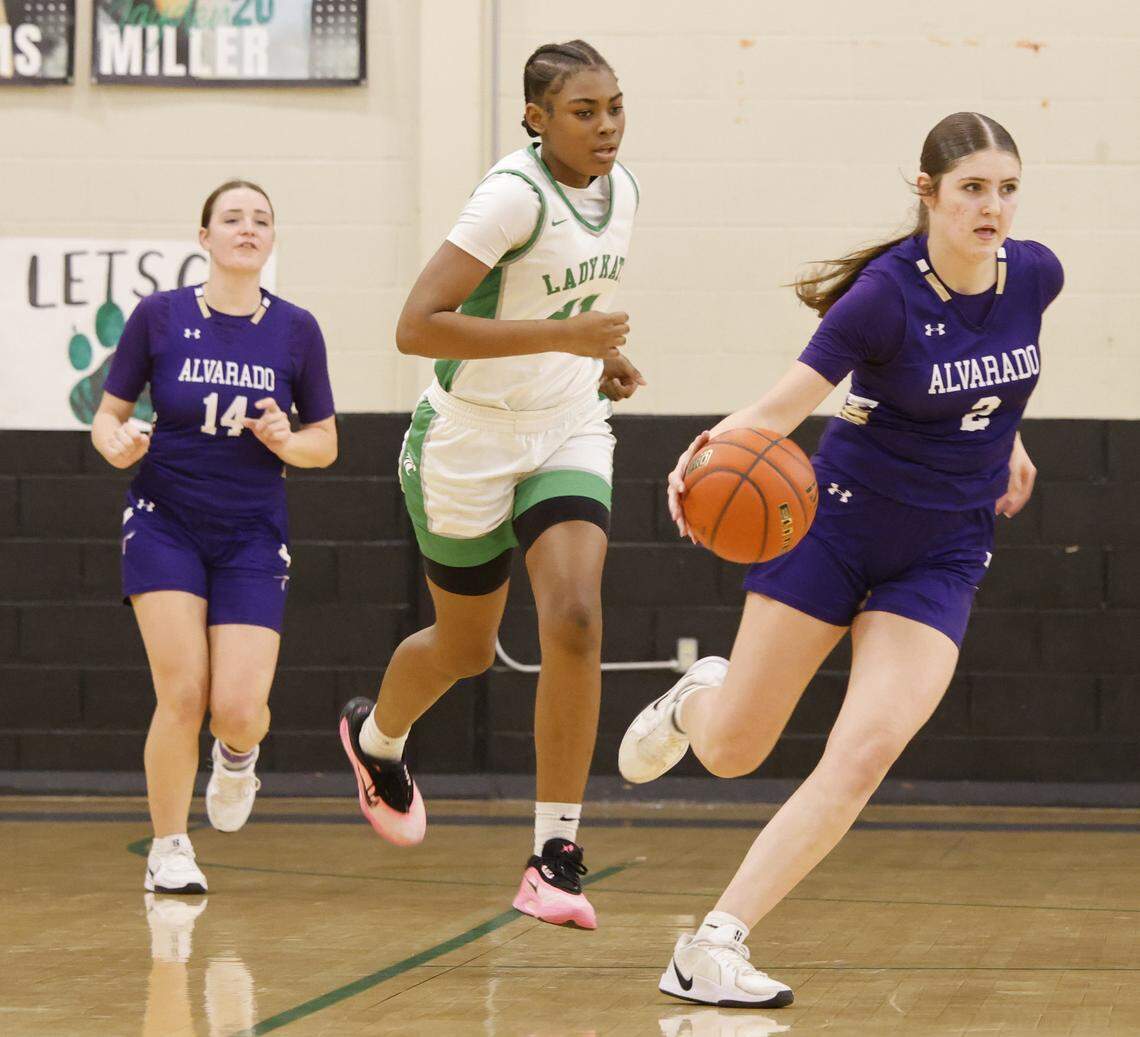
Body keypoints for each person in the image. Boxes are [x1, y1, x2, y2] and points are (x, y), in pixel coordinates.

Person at [619, 112, 1063, 1006]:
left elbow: (998, 372)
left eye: (1007, 188)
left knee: (865, 750)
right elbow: (780, 408)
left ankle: (712, 944)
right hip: (839, 525)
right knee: (737, 751)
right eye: (974, 188)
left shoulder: (1038, 274)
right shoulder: (882, 298)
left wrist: (1003, 441)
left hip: (943, 547)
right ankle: (700, 694)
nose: (994, 207)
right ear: (928, 193)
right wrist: (699, 454)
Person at [338, 39, 643, 930]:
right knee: (466, 649)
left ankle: (554, 854)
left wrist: (605, 355)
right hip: (467, 439)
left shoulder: (622, 191)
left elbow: (568, 302)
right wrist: (570, 338)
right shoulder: (512, 195)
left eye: (615, 107)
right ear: (536, 120)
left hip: (568, 426)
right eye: (583, 112)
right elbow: (415, 327)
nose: (606, 126)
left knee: (577, 616)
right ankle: (377, 738)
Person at [92, 180, 337, 894]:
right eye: (232, 218)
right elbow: (107, 416)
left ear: (272, 239)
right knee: (184, 690)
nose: (247, 228)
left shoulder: (296, 329)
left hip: (253, 532)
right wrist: (117, 443)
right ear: (205, 237)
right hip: (164, 518)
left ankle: (237, 755)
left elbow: (326, 443)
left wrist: (288, 439)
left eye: (261, 219)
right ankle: (169, 847)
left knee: (235, 707)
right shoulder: (159, 316)